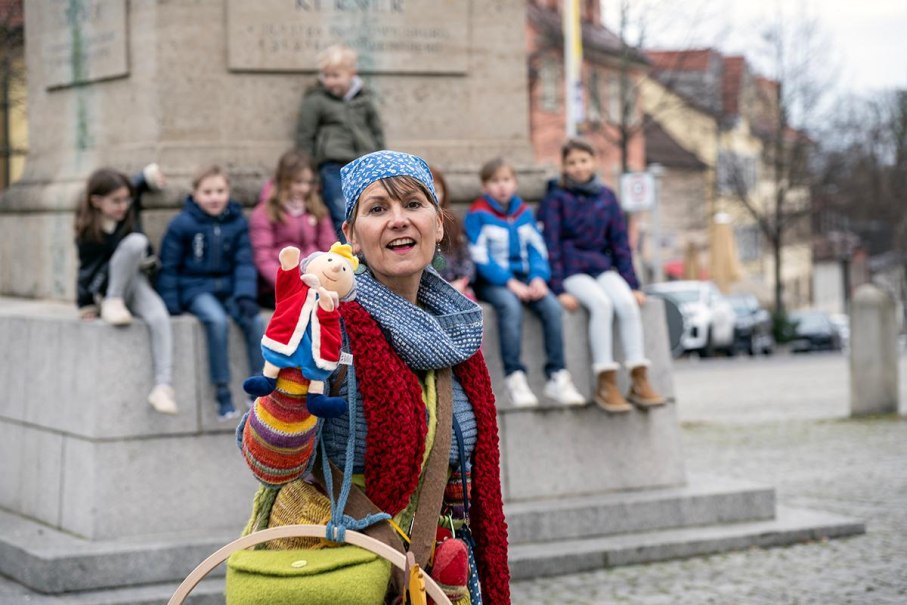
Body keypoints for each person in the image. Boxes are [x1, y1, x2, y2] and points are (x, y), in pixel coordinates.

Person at [238, 150, 510, 604]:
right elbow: (266, 464)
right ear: (351, 236)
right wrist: (290, 390)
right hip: (334, 569)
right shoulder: (327, 323)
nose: (399, 220)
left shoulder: (457, 333)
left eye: (414, 205)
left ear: (438, 224)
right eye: (378, 209)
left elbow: (459, 482)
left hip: (433, 576)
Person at [537, 138, 665, 413]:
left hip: (601, 267)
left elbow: (620, 243)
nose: (578, 167)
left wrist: (633, 284)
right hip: (572, 271)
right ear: (564, 167)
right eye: (572, 162)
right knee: (601, 305)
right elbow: (551, 245)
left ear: (594, 162)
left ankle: (638, 377)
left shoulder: (607, 197)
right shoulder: (556, 199)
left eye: (583, 160)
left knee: (627, 304)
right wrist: (558, 289)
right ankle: (605, 382)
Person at [465, 157, 585, 408]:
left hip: (526, 278)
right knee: (510, 306)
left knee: (552, 307)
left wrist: (538, 278)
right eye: (495, 181)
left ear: (515, 183)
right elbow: (480, 257)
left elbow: (537, 248)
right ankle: (515, 377)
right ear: (485, 187)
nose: (502, 187)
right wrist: (510, 282)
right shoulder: (477, 214)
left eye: (506, 180)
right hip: (493, 282)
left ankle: (557, 375)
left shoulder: (523, 213)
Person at [157, 165, 265, 421]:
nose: (214, 197)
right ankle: (222, 392)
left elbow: (244, 263)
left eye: (220, 191)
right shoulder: (182, 224)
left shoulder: (237, 222)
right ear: (194, 194)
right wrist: (170, 301)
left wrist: (245, 295)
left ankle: (260, 389)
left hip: (229, 287)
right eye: (207, 192)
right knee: (216, 322)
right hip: (196, 288)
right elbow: (169, 266)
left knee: (255, 320)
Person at [74, 164, 178, 415]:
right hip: (108, 286)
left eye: (126, 199)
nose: (123, 205)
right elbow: (85, 270)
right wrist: (85, 303)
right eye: (116, 201)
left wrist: (148, 176)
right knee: (136, 242)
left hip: (136, 282)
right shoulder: (89, 230)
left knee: (159, 317)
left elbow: (134, 185)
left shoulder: (128, 208)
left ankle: (162, 387)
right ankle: (112, 300)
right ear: (97, 202)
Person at [296, 44, 385, 240]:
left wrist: (381, 160)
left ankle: (370, 255)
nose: (329, 81)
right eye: (326, 76)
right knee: (341, 212)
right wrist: (308, 170)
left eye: (335, 76)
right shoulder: (316, 100)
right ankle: (348, 258)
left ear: (352, 74)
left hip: (365, 165)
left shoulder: (364, 98)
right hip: (333, 166)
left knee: (370, 209)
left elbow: (376, 131)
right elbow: (305, 136)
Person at [249, 150, 335, 307]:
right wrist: (290, 283)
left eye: (308, 183)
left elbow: (328, 248)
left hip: (314, 281)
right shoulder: (264, 212)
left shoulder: (318, 209)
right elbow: (263, 257)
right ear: (284, 181)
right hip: (278, 286)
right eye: (298, 182)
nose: (304, 188)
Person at [430, 165, 476, 300]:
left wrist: (463, 281)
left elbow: (466, 257)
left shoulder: (454, 222)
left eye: (437, 190)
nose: (433, 196)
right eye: (428, 190)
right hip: (432, 289)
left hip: (457, 284)